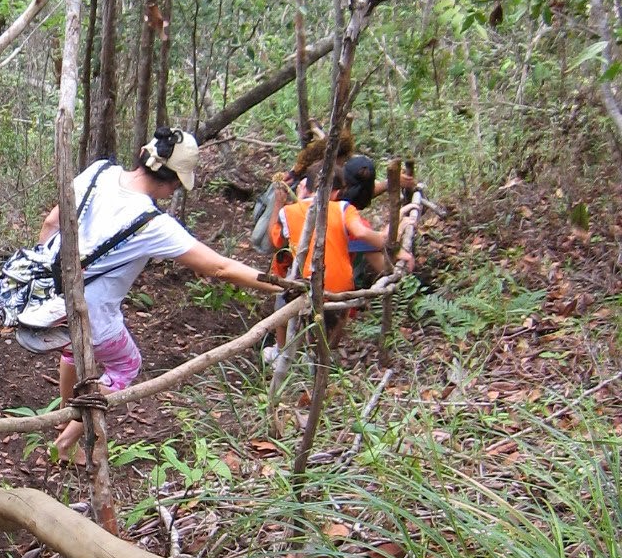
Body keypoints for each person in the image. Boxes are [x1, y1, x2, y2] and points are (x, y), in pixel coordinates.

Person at [36, 126, 283, 463]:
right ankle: (66, 441)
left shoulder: (99, 172)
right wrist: (281, 284)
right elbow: (220, 268)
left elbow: (52, 222)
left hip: (52, 300)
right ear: (171, 183)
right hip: (92, 314)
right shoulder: (153, 224)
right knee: (126, 365)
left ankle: (63, 425)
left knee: (72, 351)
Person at [269, 154, 413, 350]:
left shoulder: (288, 212)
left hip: (304, 282)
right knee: (335, 312)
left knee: (283, 303)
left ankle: (281, 351)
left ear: (306, 185)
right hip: (342, 286)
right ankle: (329, 350)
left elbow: (275, 239)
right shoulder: (344, 208)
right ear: (336, 192)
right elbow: (362, 232)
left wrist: (281, 203)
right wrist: (393, 246)